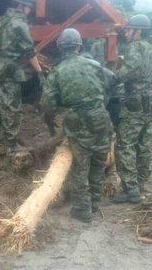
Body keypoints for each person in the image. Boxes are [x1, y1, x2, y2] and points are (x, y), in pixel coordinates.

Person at [42, 28, 113, 222]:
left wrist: (49, 122)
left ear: (60, 48)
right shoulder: (95, 65)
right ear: (79, 46)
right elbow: (110, 86)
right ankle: (95, 202)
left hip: (79, 120)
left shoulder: (57, 72)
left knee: (81, 165)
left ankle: (82, 209)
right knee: (98, 162)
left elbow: (47, 104)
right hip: (101, 117)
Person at [111, 14, 152, 204]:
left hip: (134, 104)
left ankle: (130, 189)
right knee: (144, 144)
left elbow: (128, 72)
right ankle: (141, 183)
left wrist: (113, 77)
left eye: (129, 29)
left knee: (125, 145)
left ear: (138, 32)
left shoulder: (134, 48)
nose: (126, 32)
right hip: (150, 102)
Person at [0, 0, 44, 152]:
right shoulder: (19, 23)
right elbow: (29, 52)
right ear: (22, 6)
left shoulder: (3, 19)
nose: (29, 10)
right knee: (13, 107)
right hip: (9, 70)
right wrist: (40, 72)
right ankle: (12, 146)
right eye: (29, 7)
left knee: (1, 103)